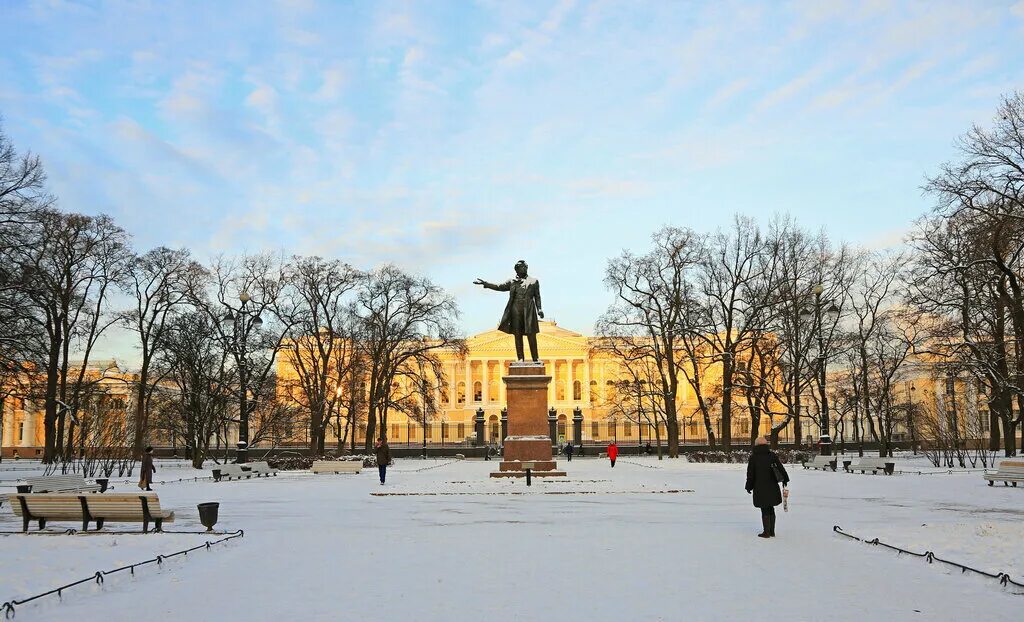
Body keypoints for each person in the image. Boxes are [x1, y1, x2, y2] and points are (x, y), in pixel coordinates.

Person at [473, 260, 544, 361]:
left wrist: (539, 309)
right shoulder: (511, 282)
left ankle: (535, 358)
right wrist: (486, 284)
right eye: (521, 267)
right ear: (517, 269)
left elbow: (537, 296)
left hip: (529, 310)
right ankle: (520, 358)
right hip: (516, 310)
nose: (524, 269)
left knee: (531, 334)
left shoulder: (534, 281)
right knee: (517, 334)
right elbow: (499, 287)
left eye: (525, 267)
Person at [745, 436, 789, 538]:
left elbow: (750, 474)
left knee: (764, 508)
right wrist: (785, 479)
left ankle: (766, 532)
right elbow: (780, 468)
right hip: (772, 485)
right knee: (771, 508)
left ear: (756, 445)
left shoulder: (753, 457)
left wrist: (748, 486)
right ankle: (772, 531)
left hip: (760, 487)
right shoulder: (772, 455)